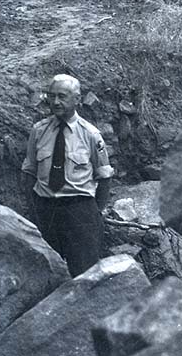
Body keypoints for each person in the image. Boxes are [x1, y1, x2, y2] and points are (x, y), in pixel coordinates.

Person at [21, 74, 114, 277]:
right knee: (44, 273)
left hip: (79, 211)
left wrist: (95, 213)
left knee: (85, 274)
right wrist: (34, 209)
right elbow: (29, 172)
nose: (55, 102)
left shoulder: (90, 134)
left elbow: (104, 177)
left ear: (77, 99)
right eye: (51, 96)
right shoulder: (38, 131)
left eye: (62, 96)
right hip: (45, 211)